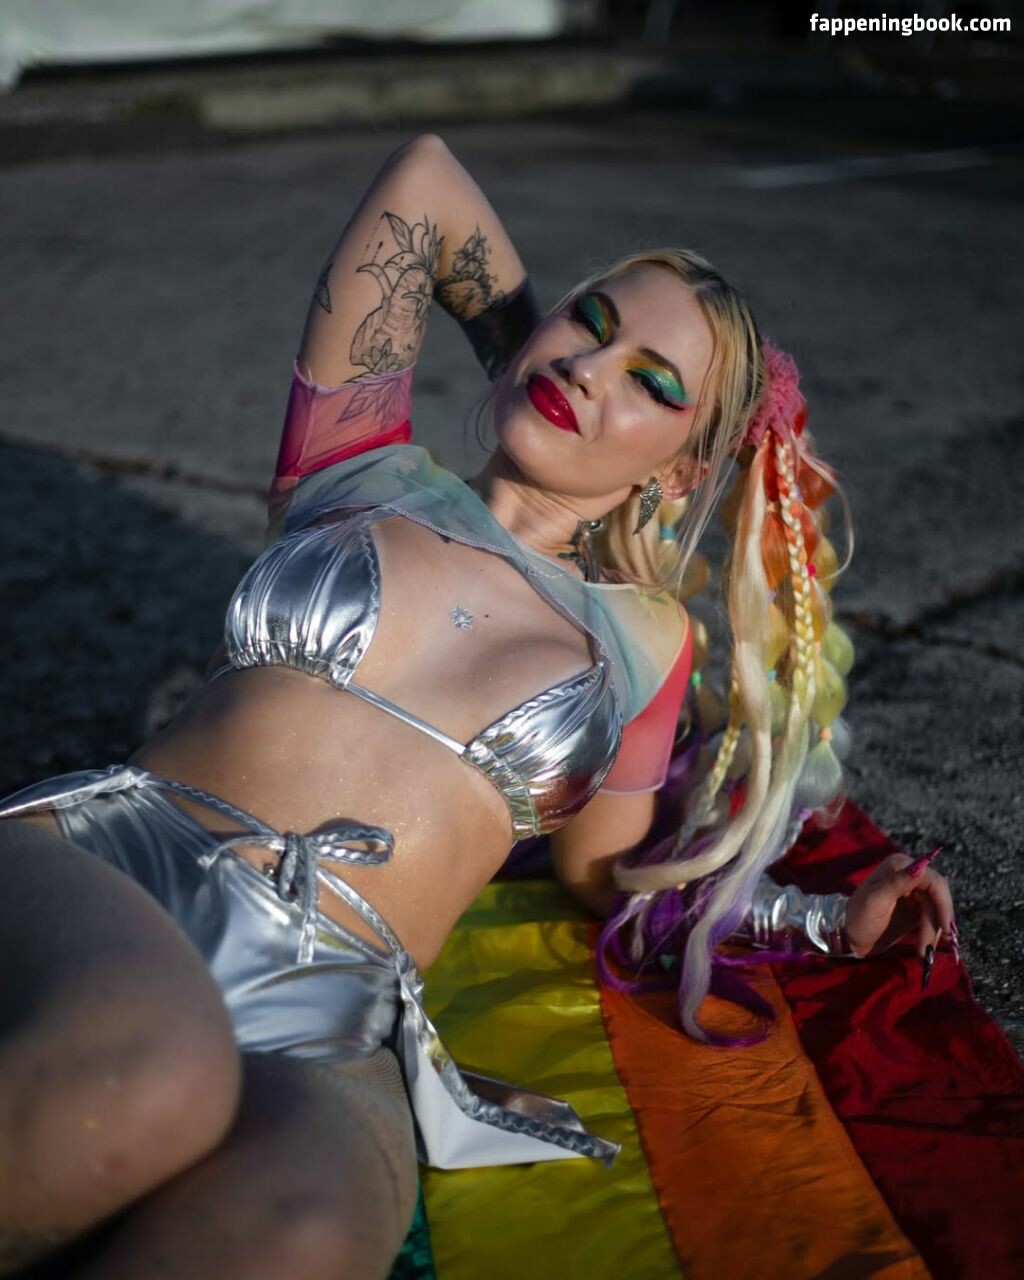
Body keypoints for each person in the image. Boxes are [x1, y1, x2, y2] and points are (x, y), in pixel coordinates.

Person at [0, 134, 954, 1279]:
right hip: (124, 859)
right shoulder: (358, 462)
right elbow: (425, 183)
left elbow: (613, 878)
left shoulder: (644, 643)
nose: (593, 368)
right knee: (148, 1075)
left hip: (335, 1004)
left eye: (651, 383)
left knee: (299, 1231)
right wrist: (535, 362)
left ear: (680, 472)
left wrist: (823, 921)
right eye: (590, 322)